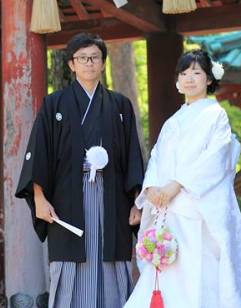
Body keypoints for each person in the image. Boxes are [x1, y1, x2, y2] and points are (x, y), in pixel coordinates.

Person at [125, 49, 241, 308]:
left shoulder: (215, 115)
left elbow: (215, 159)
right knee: (168, 271)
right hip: (168, 210)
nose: (189, 79)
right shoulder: (172, 122)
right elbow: (157, 157)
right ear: (177, 81)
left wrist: (177, 184)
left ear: (209, 79)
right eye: (184, 73)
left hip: (197, 207)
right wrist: (152, 189)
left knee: (200, 271)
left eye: (196, 73)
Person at [15, 32, 144, 308]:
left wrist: (137, 201)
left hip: (112, 198)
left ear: (102, 63)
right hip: (67, 198)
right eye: (82, 58)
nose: (89, 63)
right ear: (72, 64)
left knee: (111, 258)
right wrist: (39, 198)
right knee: (70, 262)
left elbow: (133, 155)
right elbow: (40, 153)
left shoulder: (120, 106)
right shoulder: (54, 104)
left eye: (95, 58)